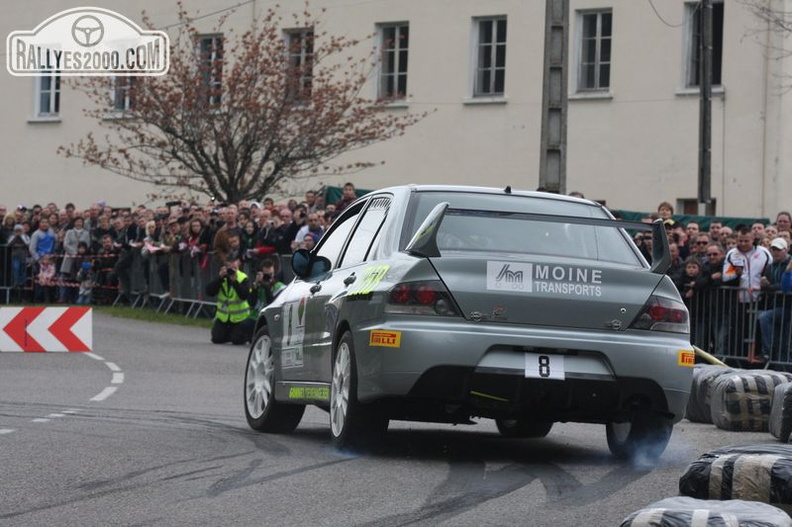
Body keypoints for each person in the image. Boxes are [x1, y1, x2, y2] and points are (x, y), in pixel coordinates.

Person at [722, 226, 773, 359]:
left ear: (753, 239)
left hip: (760, 299)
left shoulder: (764, 253)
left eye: (746, 241)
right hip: (739, 300)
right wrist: (735, 273)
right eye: (740, 240)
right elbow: (725, 276)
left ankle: (756, 358)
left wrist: (767, 282)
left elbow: (772, 271)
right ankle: (738, 359)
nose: (743, 244)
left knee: (757, 331)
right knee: (739, 331)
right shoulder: (732, 254)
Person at [755, 237, 792, 362]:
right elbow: (767, 285)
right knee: (778, 338)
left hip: (787, 307)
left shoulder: (789, 264)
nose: (775, 252)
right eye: (773, 249)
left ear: (786, 250)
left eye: (779, 250)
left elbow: (784, 286)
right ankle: (771, 358)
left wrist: (769, 286)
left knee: (764, 318)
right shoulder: (770, 266)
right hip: (773, 305)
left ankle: (766, 352)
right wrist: (764, 284)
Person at [205, 258, 254, 345]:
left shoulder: (243, 278)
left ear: (238, 265)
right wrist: (219, 278)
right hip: (224, 317)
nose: (231, 270)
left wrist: (234, 282)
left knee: (237, 340)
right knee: (216, 339)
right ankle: (229, 334)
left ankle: (244, 335)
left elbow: (244, 296)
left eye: (233, 267)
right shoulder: (222, 277)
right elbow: (209, 292)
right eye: (229, 267)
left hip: (239, 318)